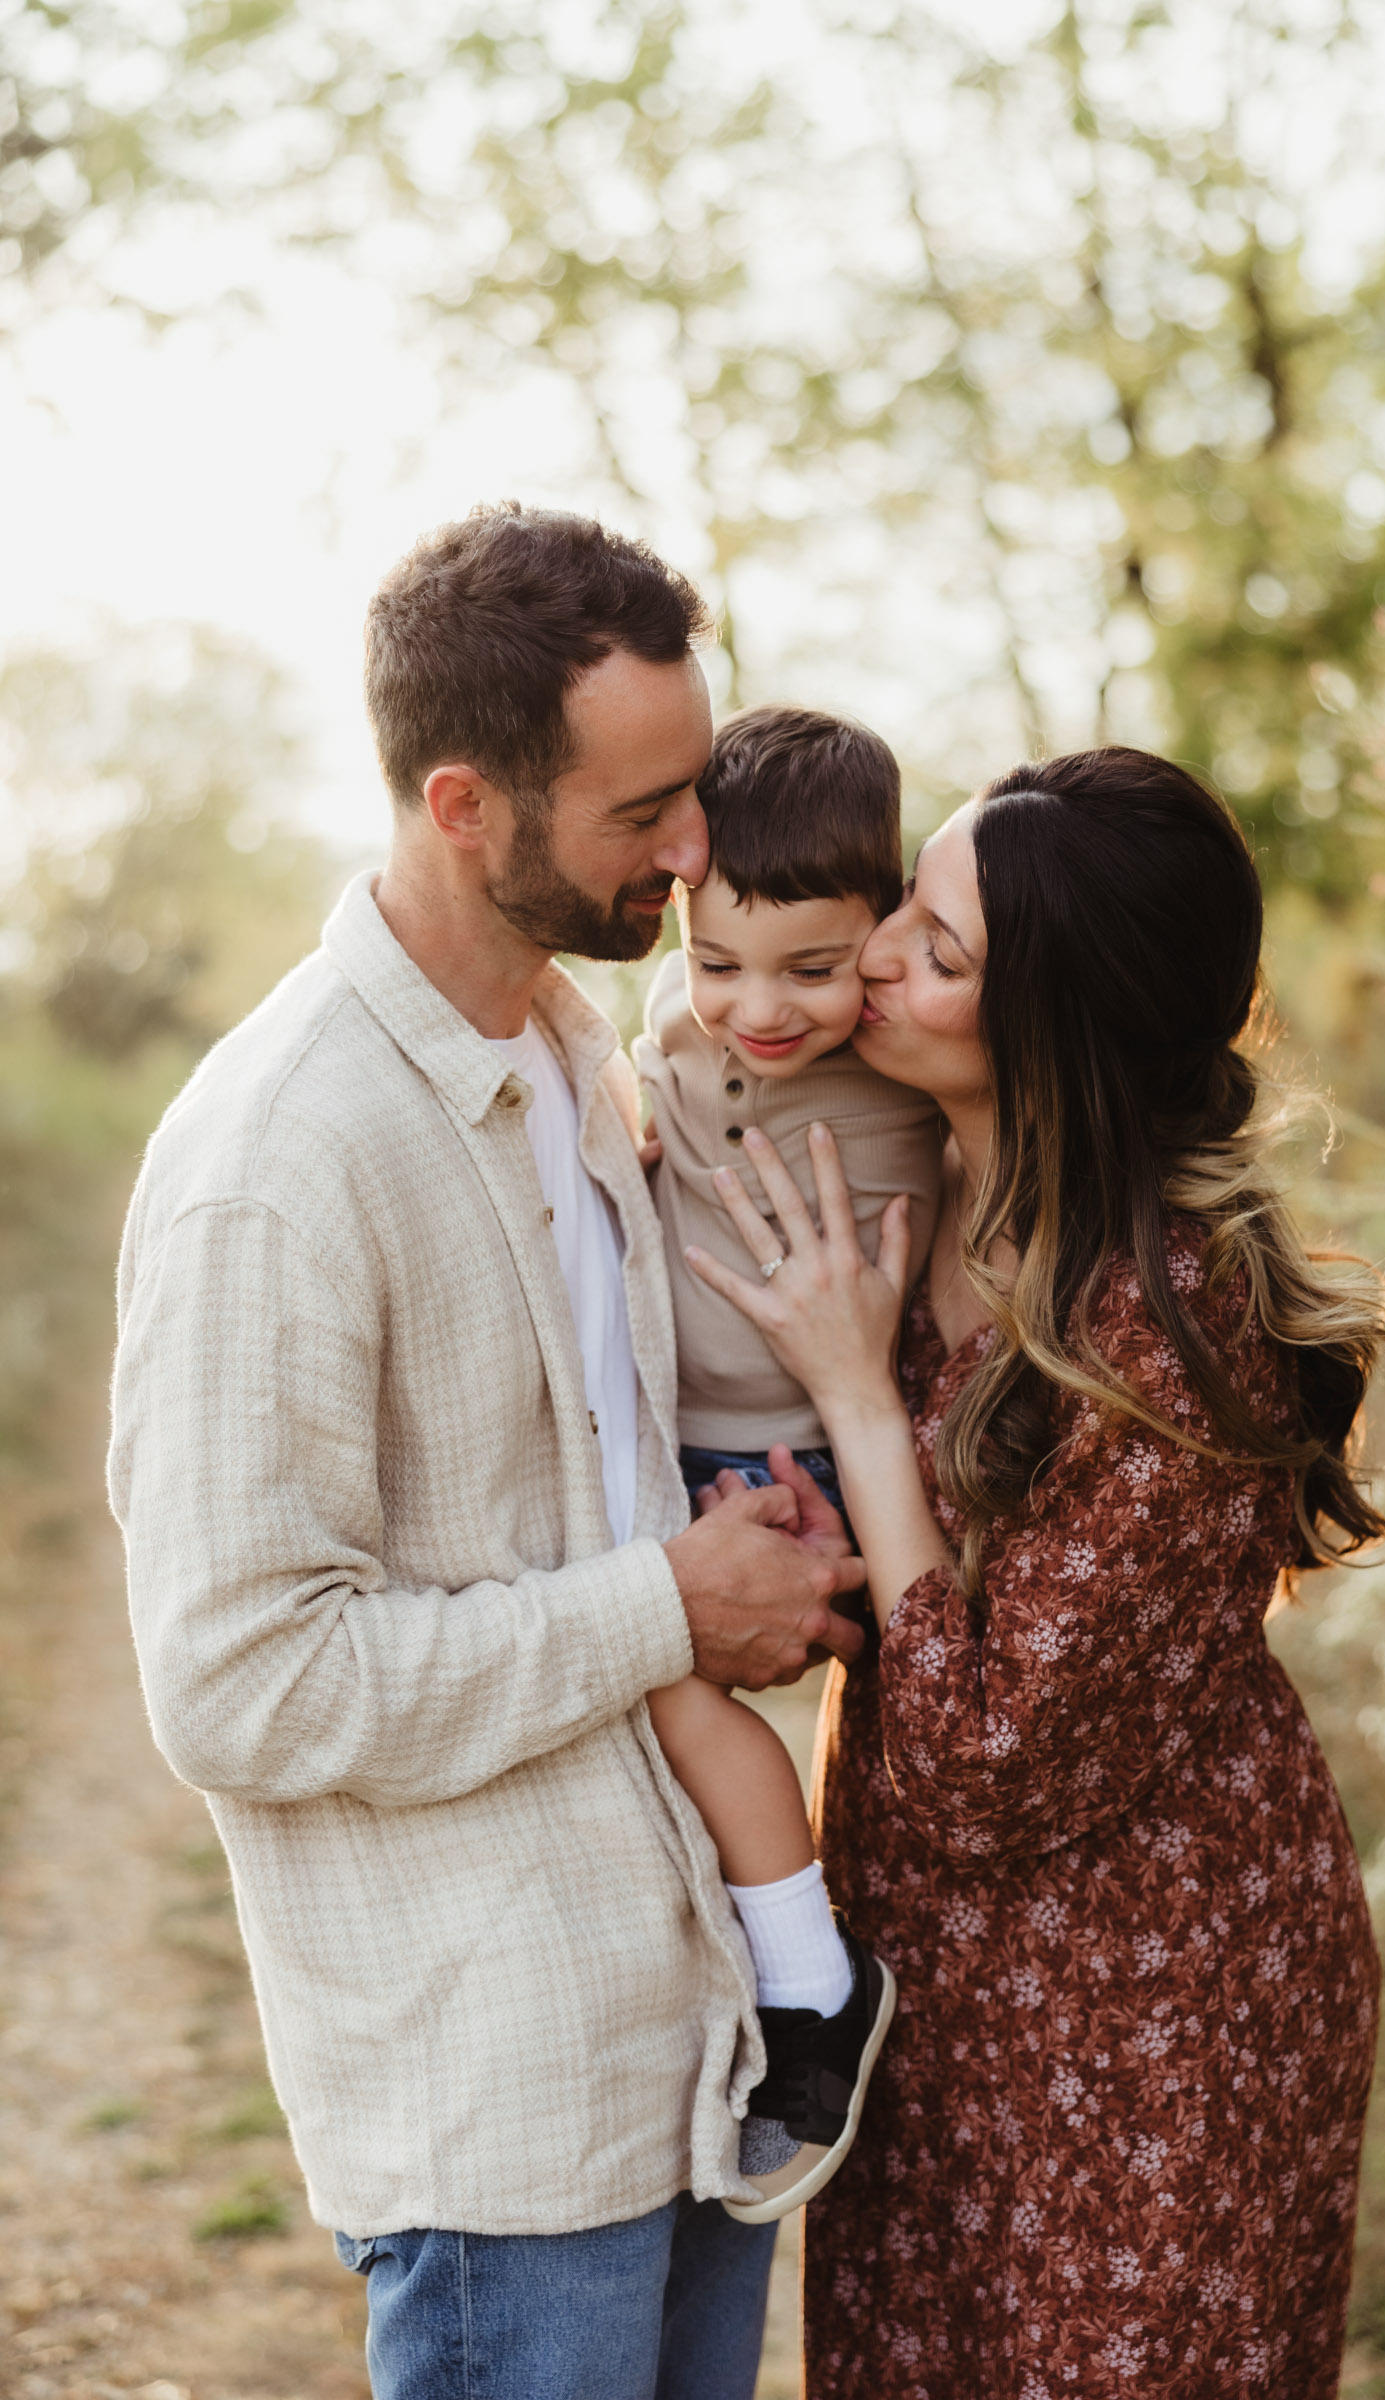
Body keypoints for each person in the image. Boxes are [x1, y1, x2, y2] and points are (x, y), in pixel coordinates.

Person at [106, 503, 868, 2400]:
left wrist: (745, 1536)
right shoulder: (278, 1164)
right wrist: (667, 1606)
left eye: (692, 788)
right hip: (495, 2112)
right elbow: (239, 1684)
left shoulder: (580, 1056)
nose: (696, 851)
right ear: (465, 807)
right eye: (642, 815)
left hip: (686, 2037)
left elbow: (589, 1485)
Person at [686, 748, 1385, 2398]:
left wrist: (858, 1394)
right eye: (907, 915)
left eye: (935, 949)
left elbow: (990, 1761)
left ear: (1054, 1026)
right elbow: (926, 1599)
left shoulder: (1175, 1308)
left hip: (1153, 2010)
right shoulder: (911, 1184)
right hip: (937, 2002)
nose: (876, 962)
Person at [635, 705, 945, 2220]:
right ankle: (788, 1976)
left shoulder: (913, 1073)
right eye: (718, 963)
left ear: (880, 939)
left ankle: (815, 1986)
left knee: (879, 1714)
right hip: (687, 1445)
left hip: (839, 1449)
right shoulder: (662, 1042)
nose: (758, 1008)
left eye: (812, 970)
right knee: (666, 1688)